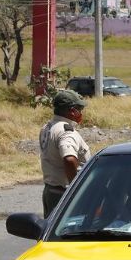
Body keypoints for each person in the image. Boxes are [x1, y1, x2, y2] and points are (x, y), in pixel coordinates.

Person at [39, 90, 91, 218]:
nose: (81, 113)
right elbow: (69, 159)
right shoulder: (66, 132)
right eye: (80, 109)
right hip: (64, 194)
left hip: (50, 190)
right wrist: (76, 189)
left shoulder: (48, 127)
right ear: (72, 111)